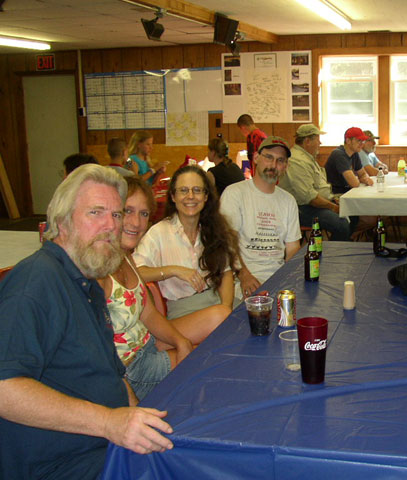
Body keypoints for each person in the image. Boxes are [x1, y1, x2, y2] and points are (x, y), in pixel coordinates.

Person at [0, 165, 173, 479]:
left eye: (116, 214)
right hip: (61, 464)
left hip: (104, 445)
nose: (111, 225)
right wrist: (109, 422)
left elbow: (112, 374)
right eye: (96, 212)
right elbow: (4, 389)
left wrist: (133, 416)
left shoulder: (86, 281)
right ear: (62, 221)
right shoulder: (36, 282)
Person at [99, 177, 230, 400]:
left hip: (147, 345)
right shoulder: (98, 269)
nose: (136, 222)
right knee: (215, 366)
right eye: (127, 211)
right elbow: (97, 351)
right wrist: (129, 404)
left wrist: (181, 342)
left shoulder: (126, 257)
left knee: (221, 343)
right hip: (133, 370)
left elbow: (148, 313)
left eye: (143, 214)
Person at [134, 166, 238, 319]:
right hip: (183, 310)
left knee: (256, 314)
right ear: (173, 196)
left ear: (206, 196)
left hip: (217, 301)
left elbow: (226, 273)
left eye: (197, 190)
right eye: (183, 190)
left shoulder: (214, 230)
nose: (190, 196)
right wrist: (174, 270)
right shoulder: (158, 233)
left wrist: (227, 308)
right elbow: (136, 272)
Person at [220, 136, 301, 300]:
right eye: (269, 157)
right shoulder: (234, 193)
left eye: (280, 160)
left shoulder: (288, 201)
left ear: (285, 166)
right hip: (242, 278)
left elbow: (293, 249)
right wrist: (244, 275)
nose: (273, 165)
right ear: (256, 158)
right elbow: (227, 242)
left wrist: (288, 278)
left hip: (278, 278)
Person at [278, 124, 352, 241]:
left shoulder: (307, 158)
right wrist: (333, 207)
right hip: (301, 208)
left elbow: (318, 188)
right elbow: (310, 198)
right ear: (307, 141)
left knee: (352, 213)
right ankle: (334, 251)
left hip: (315, 204)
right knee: (340, 224)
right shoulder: (297, 161)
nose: (320, 143)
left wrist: (333, 200)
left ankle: (342, 245)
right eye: (318, 140)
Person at [325, 127, 374, 195]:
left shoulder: (354, 153)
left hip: (348, 192)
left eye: (362, 141)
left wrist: (364, 178)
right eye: (358, 140)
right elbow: (354, 183)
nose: (361, 144)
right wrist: (360, 179)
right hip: (335, 194)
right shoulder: (338, 154)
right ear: (348, 141)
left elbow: (363, 174)